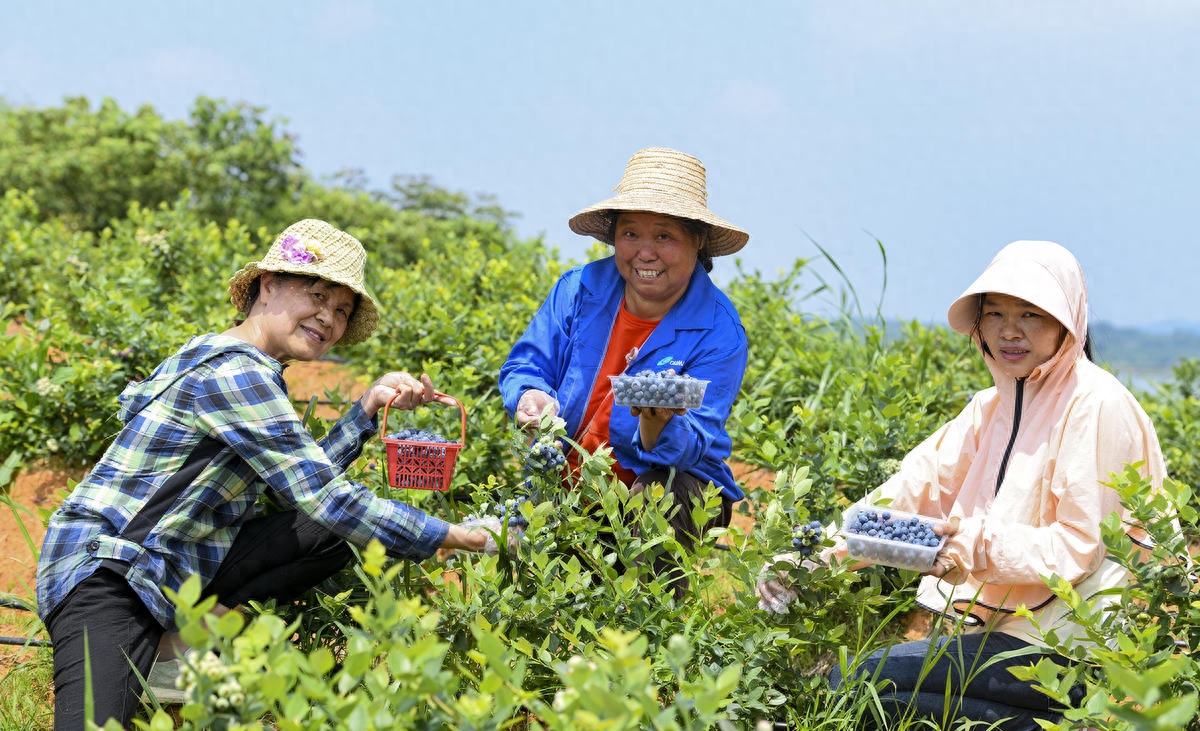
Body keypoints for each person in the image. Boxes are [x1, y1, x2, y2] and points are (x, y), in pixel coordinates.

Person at [36, 219, 519, 729]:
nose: (328, 319)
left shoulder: (241, 364)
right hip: (112, 574)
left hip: (172, 565)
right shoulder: (239, 373)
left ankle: (172, 648)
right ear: (268, 285)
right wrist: (463, 537)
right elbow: (333, 499)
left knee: (330, 535)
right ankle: (164, 649)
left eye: (341, 310)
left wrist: (368, 408)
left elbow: (299, 490)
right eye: (317, 296)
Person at [756, 240, 1167, 730]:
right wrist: (810, 557)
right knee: (858, 688)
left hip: (1079, 645)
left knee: (866, 685)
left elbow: (1076, 548)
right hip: (1011, 635)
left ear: (1067, 322)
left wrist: (970, 544)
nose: (1009, 331)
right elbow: (907, 493)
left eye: (1030, 315)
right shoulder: (989, 408)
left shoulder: (1096, 404)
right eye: (994, 314)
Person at [498, 146, 750, 589]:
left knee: (661, 495)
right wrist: (529, 395)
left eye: (665, 237)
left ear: (699, 241)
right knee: (519, 554)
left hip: (675, 481)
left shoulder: (718, 331)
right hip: (569, 470)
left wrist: (656, 427)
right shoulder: (580, 288)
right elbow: (527, 364)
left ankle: (649, 628)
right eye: (631, 233)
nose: (645, 253)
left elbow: (690, 447)